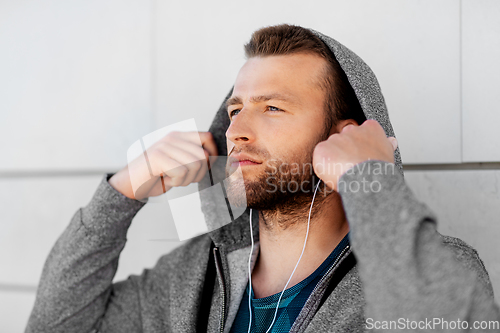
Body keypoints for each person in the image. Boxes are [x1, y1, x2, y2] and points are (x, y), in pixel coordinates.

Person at [26, 24, 499, 333]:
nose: (236, 131)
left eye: (272, 107)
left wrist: (369, 180)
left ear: (344, 139)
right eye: (235, 109)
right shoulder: (192, 276)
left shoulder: (435, 268)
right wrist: (123, 191)